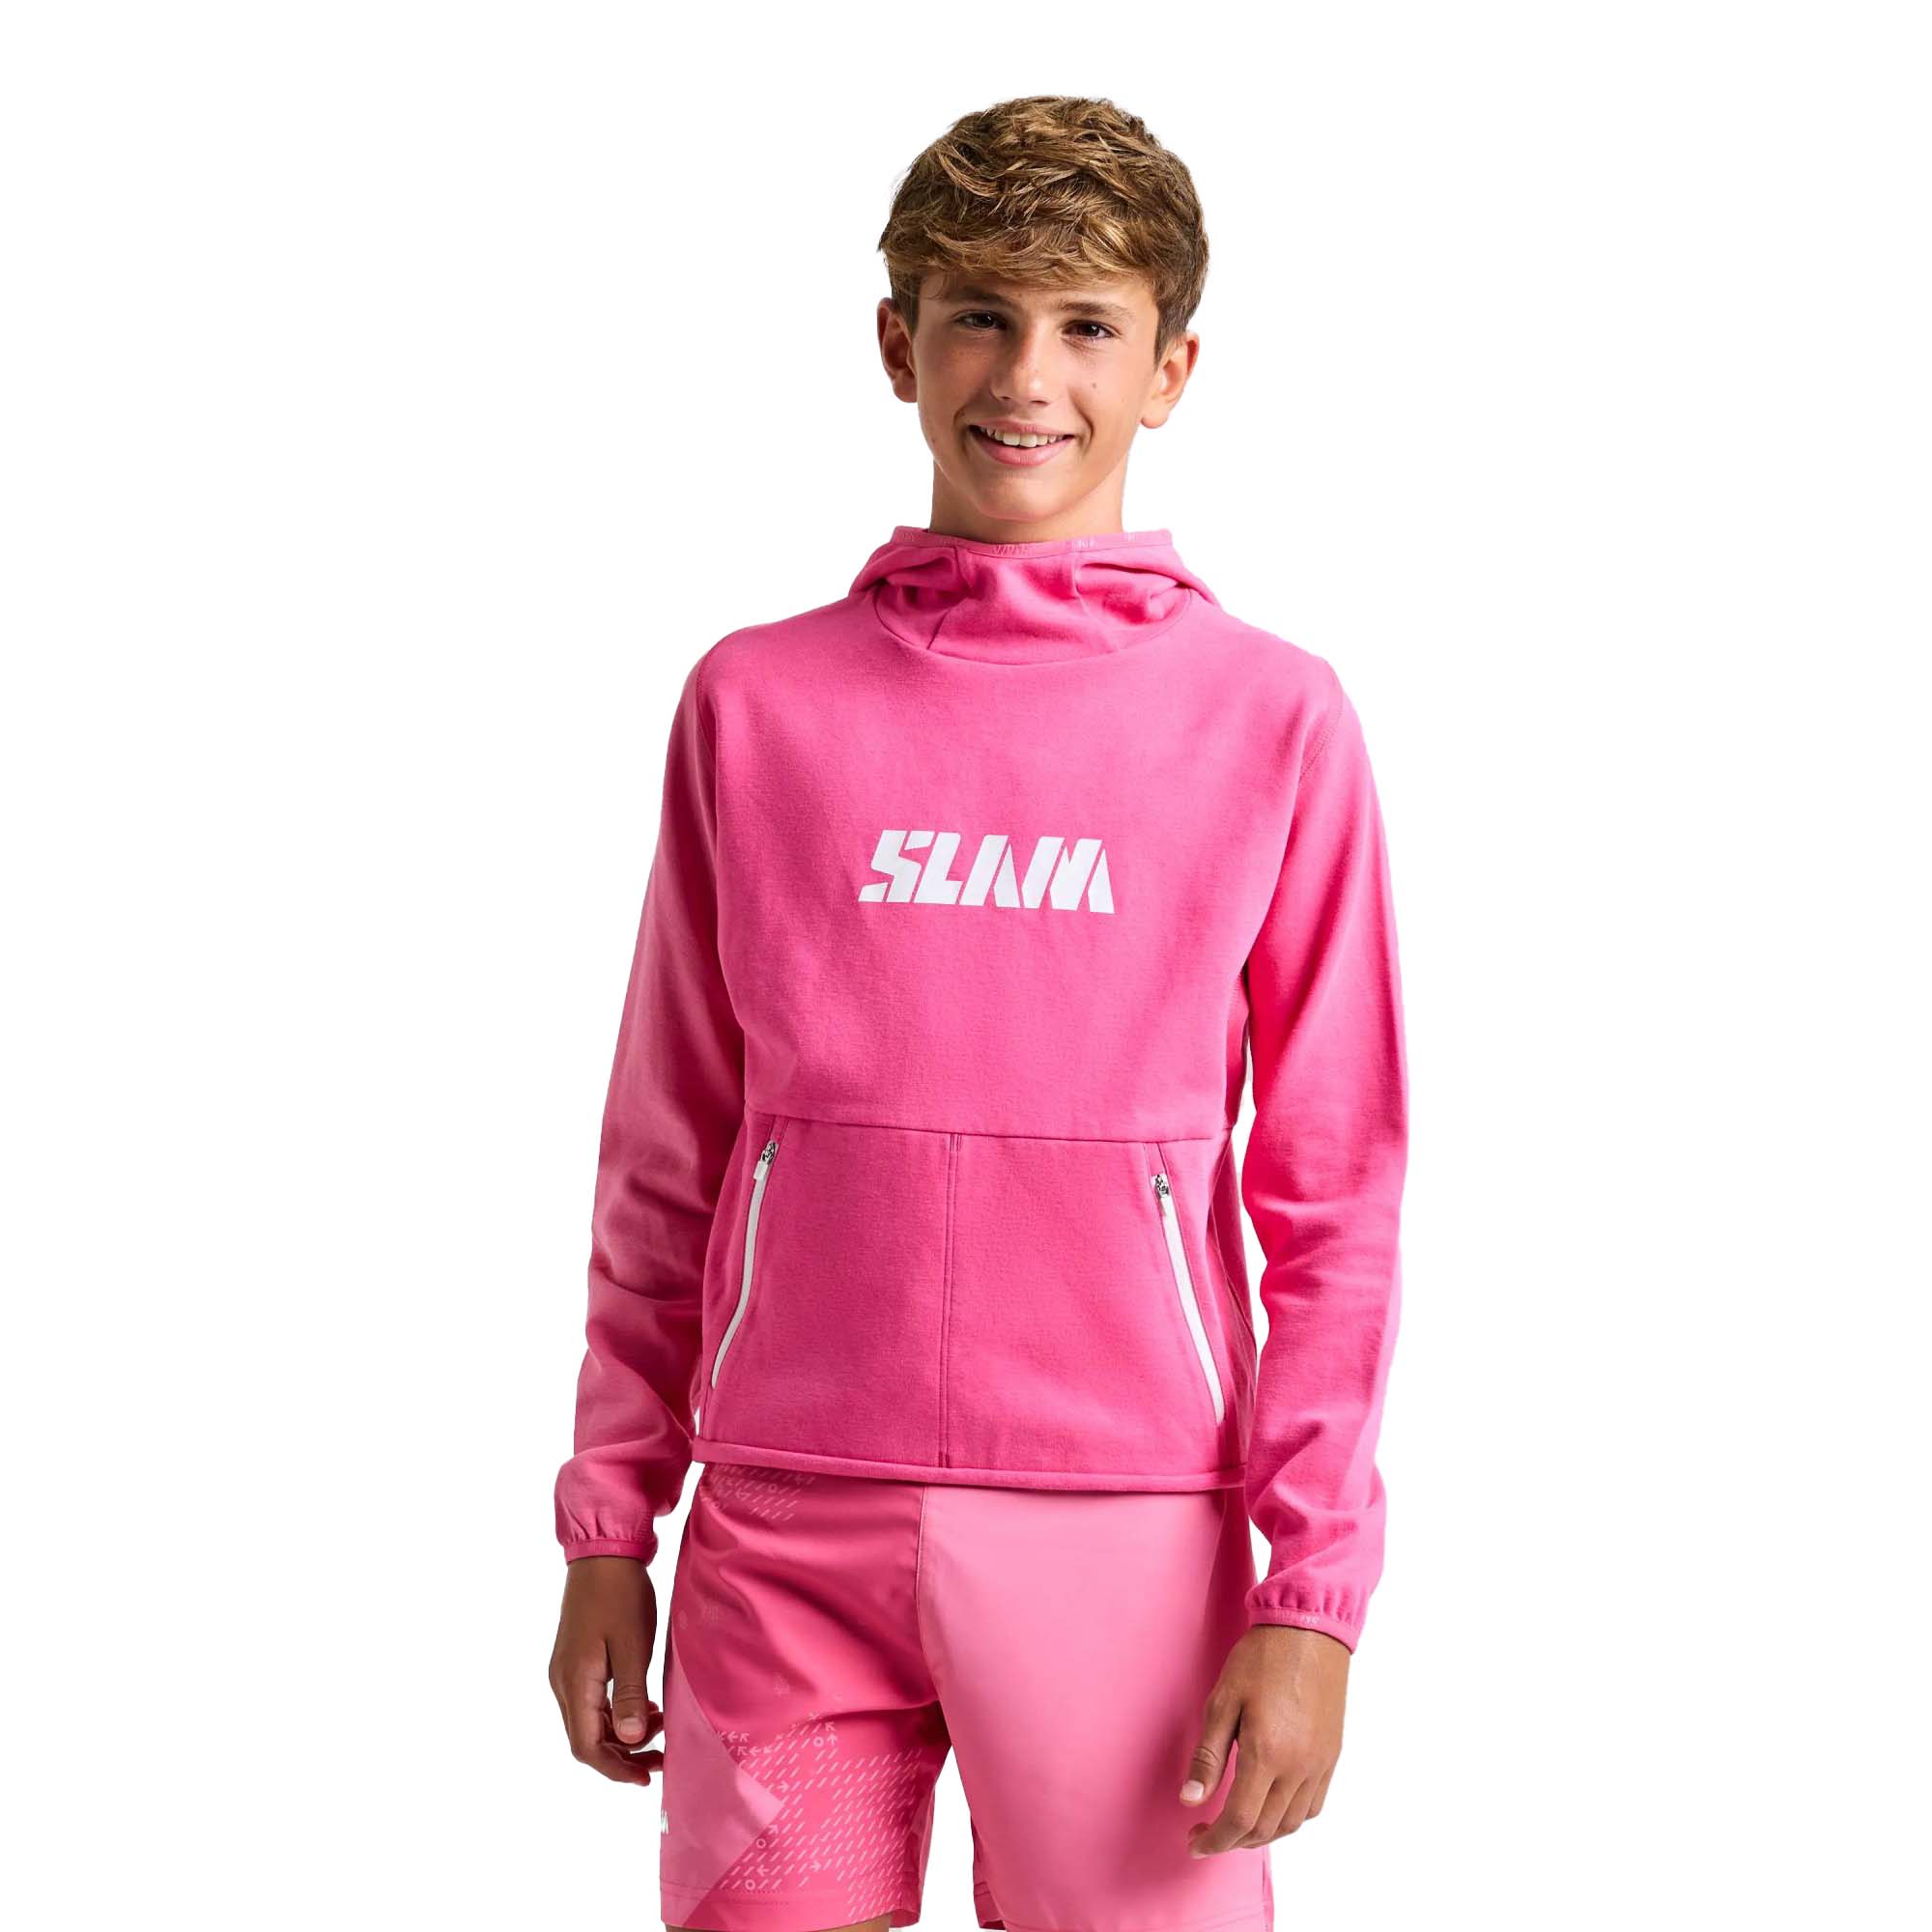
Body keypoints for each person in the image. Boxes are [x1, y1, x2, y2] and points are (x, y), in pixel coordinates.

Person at [547, 93, 1409, 1932]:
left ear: (1171, 369)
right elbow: (666, 1146)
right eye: (979, 317)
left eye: (1089, 325)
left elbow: (1336, 1191)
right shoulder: (756, 706)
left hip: (1124, 1522)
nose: (1028, 377)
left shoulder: (1272, 721)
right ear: (898, 344)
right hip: (783, 1520)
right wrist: (613, 1521)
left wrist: (1312, 1597)